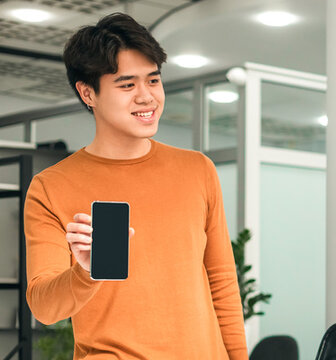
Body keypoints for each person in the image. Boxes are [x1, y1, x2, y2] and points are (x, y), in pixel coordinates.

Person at [24, 13, 246, 359]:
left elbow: (222, 284)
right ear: (88, 93)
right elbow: (44, 307)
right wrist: (84, 271)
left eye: (153, 81)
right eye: (127, 85)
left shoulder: (197, 170)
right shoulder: (51, 188)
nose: (147, 97)